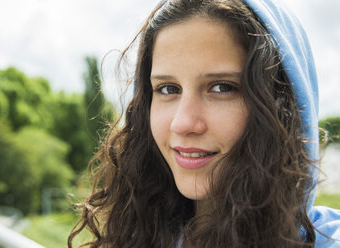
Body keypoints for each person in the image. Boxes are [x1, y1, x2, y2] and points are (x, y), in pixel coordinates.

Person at [68, 0, 340, 247]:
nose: (183, 123)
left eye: (221, 87)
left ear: (284, 104)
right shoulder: (137, 237)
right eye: (167, 89)